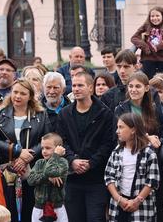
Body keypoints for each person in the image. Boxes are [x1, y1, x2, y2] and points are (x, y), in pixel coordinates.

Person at [55, 72, 115, 222]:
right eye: (74, 85)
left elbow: (108, 144)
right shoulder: (64, 114)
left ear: (90, 88)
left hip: (97, 180)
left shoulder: (105, 113)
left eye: (80, 85)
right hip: (72, 179)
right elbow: (61, 141)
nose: (76, 89)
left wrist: (91, 163)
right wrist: (72, 160)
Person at [0, 79, 49, 222]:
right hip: (7, 169)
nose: (18, 96)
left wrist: (26, 157)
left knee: (30, 209)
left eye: (23, 93)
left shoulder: (41, 114)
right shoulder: (1, 113)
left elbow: (46, 139)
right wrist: (17, 152)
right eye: (15, 92)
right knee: (8, 211)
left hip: (32, 170)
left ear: (30, 96)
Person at [104, 112, 160, 221]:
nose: (117, 131)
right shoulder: (117, 151)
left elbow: (152, 180)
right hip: (118, 205)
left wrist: (136, 201)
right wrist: (119, 199)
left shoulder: (148, 152)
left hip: (141, 206)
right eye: (117, 127)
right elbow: (108, 177)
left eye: (121, 127)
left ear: (133, 130)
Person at [114, 72, 163, 150]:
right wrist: (147, 138)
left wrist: (158, 141)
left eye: (138, 86)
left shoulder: (153, 108)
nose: (133, 90)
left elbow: (161, 130)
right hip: (127, 150)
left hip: (150, 151)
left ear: (146, 88)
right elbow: (118, 136)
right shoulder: (120, 109)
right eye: (130, 86)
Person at [26, 133, 69, 222]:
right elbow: (30, 180)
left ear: (58, 148)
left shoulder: (63, 162)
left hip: (57, 208)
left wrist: (56, 155)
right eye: (42, 148)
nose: (44, 151)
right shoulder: (39, 163)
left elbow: (50, 171)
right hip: (39, 208)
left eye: (48, 148)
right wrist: (47, 177)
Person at [131, 6, 163, 80]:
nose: (154, 18)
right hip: (148, 58)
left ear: (162, 16)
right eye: (152, 16)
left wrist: (159, 46)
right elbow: (134, 38)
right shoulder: (145, 26)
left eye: (157, 16)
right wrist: (144, 46)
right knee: (148, 83)